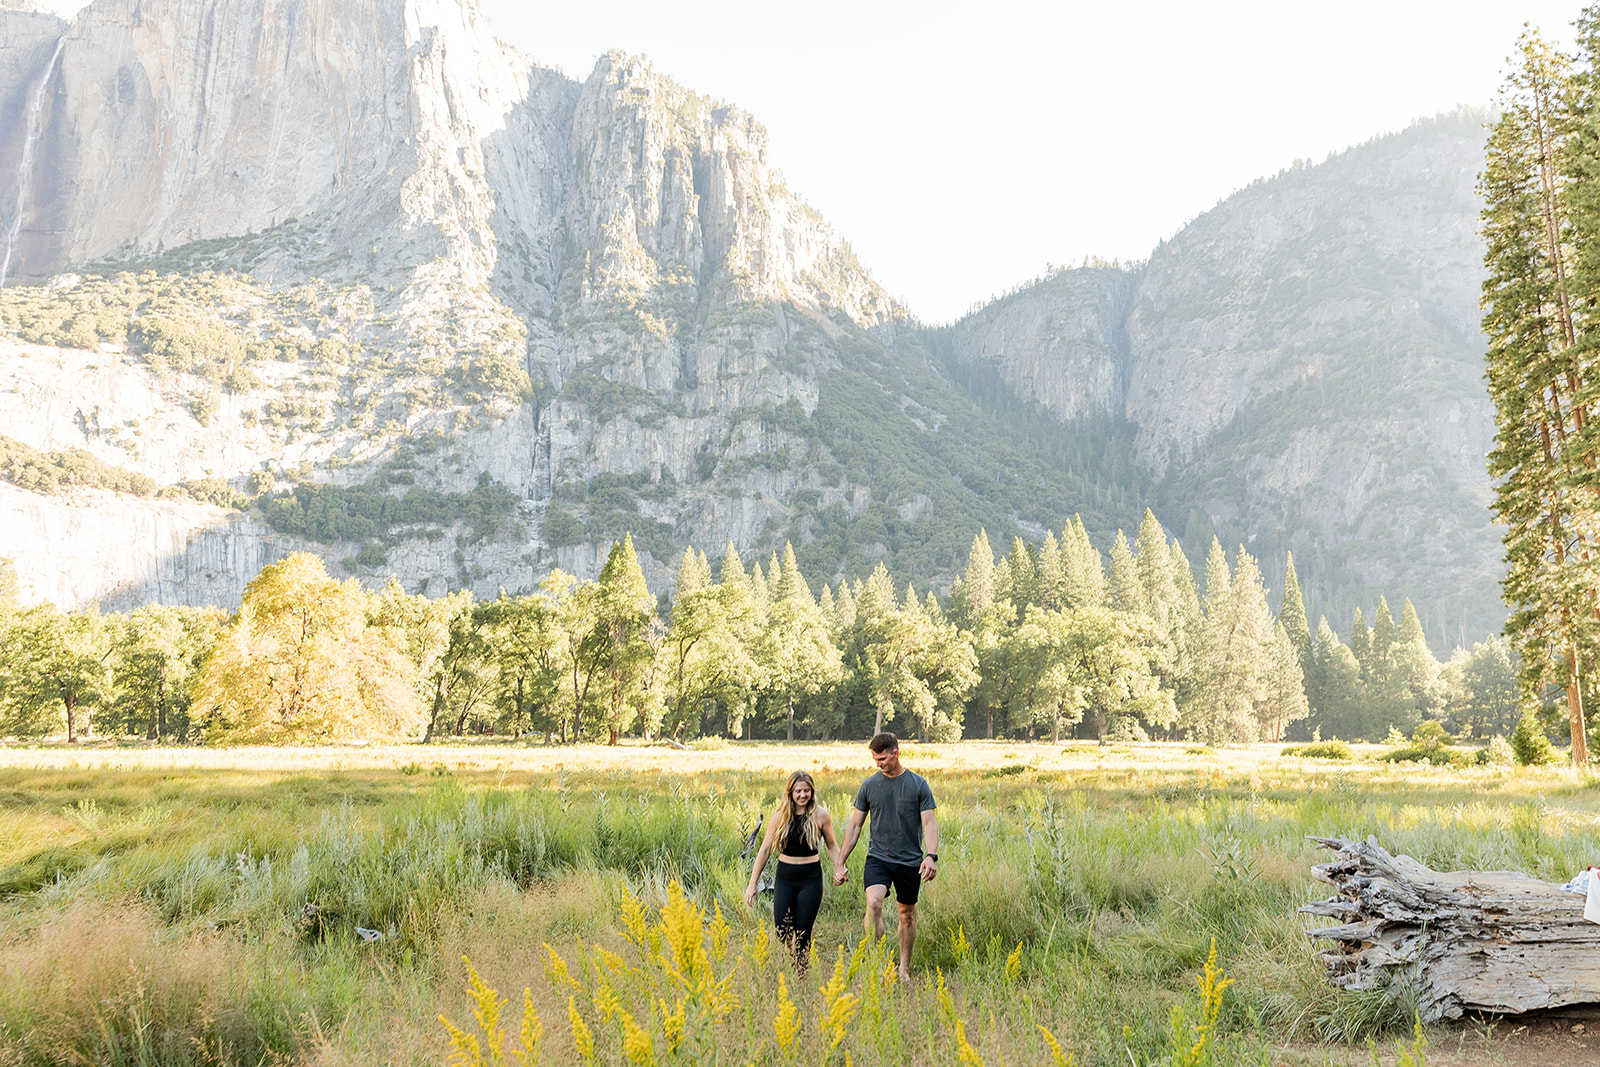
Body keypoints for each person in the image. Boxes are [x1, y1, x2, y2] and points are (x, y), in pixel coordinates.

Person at [836, 731, 938, 982]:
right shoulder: (869, 786)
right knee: (873, 904)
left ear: (896, 753)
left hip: (910, 861)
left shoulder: (918, 784)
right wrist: (840, 862)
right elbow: (855, 826)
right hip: (878, 857)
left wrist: (931, 856)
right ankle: (880, 964)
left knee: (907, 914)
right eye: (875, 760)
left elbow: (929, 822)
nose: (878, 764)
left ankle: (903, 968)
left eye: (882, 758)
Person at [744, 770, 845, 972]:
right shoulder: (779, 816)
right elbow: (764, 850)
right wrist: (752, 883)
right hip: (786, 877)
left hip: (811, 878)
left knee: (803, 931)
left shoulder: (821, 815)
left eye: (806, 791)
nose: (802, 795)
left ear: (812, 791)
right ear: (790, 792)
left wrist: (839, 866)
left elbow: (832, 845)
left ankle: (801, 971)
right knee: (782, 929)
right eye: (798, 791)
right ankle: (790, 957)